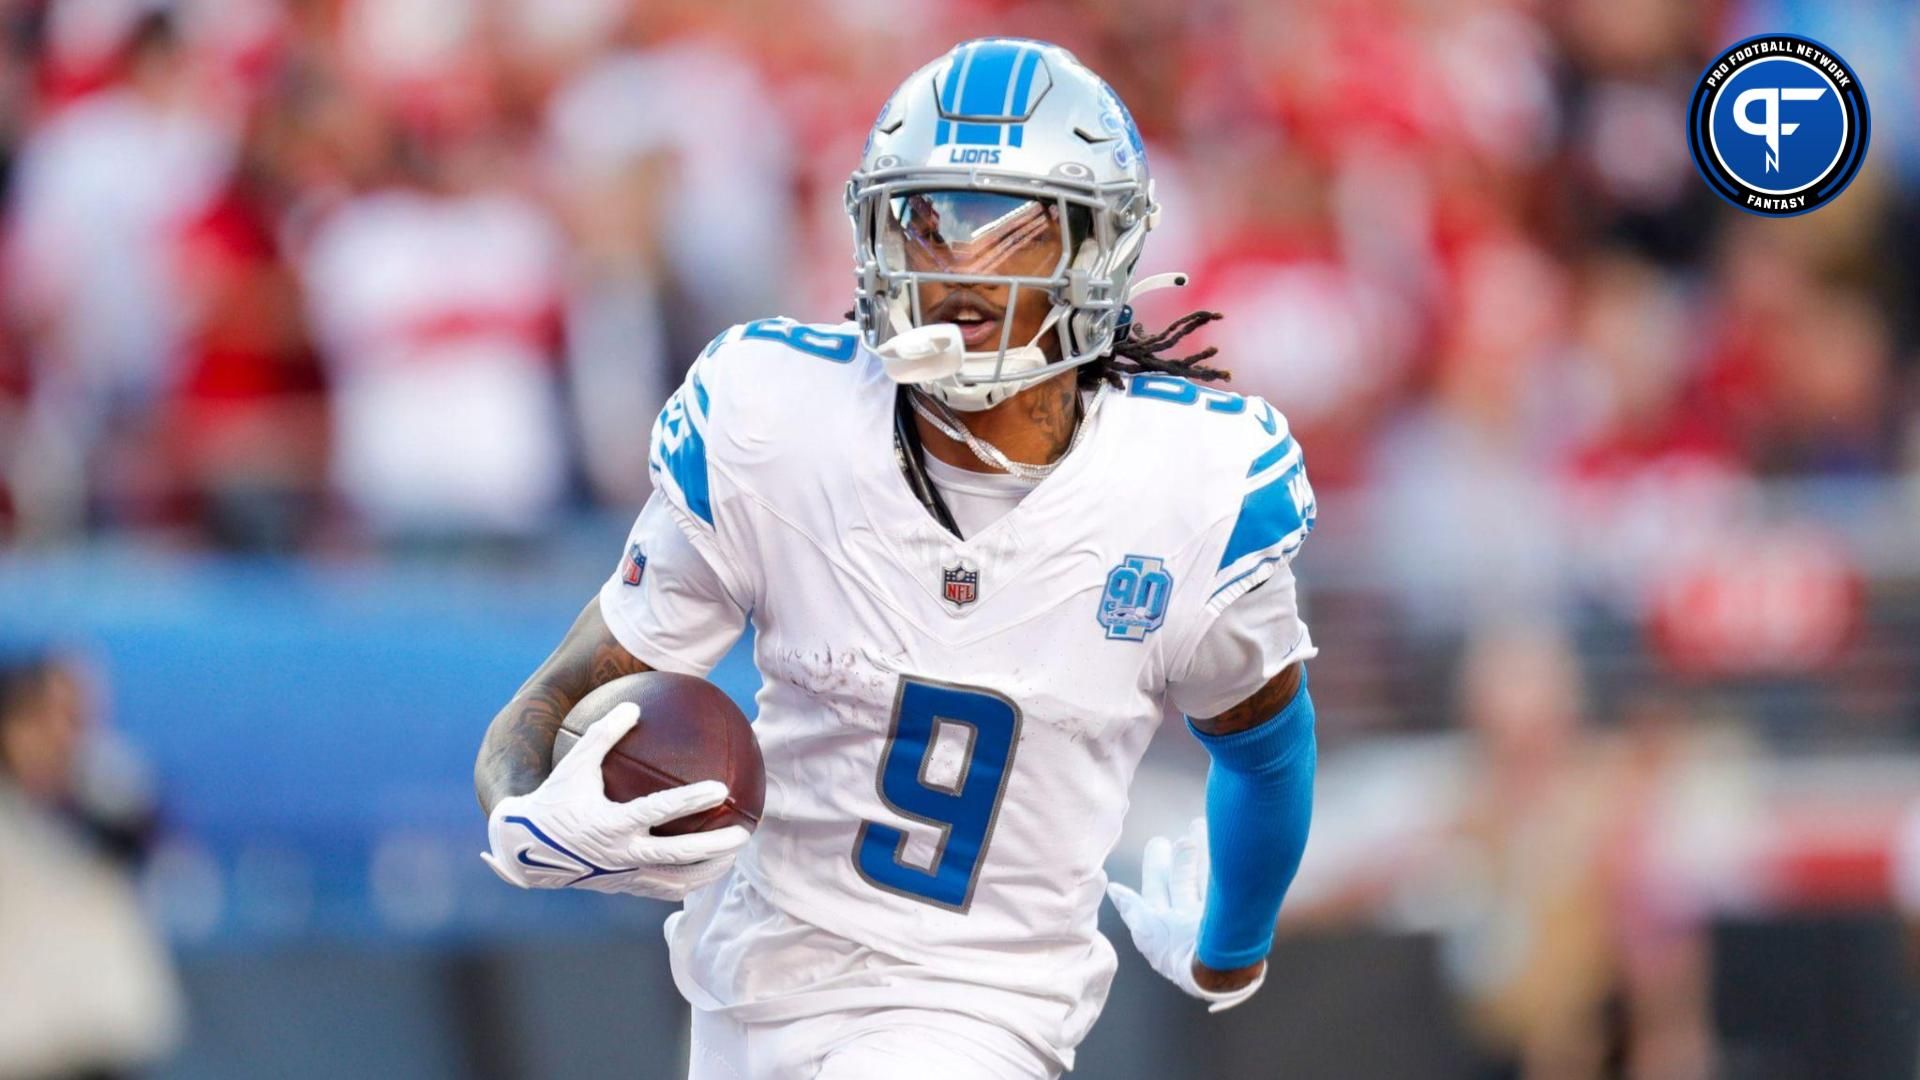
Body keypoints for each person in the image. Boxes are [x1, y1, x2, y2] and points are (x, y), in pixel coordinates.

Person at [475, 39, 1320, 1079]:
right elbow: (562, 695)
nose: (954, 268)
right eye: (924, 222)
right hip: (747, 991)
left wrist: (1231, 942)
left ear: (1101, 249)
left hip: (976, 1014)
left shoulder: (1192, 480)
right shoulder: (778, 418)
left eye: (1002, 229)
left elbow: (1266, 750)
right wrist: (523, 806)